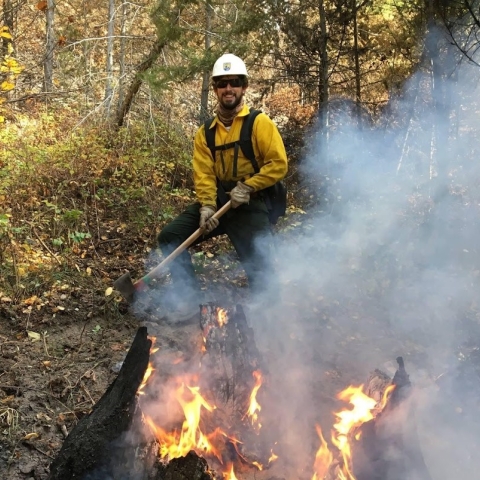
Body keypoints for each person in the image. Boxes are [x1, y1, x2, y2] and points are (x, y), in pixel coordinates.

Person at [157, 53, 288, 321]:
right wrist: (206, 206)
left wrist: (249, 187)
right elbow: (204, 173)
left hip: (251, 204)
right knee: (170, 237)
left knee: (262, 271)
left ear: (244, 86)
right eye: (222, 83)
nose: (228, 88)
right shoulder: (205, 133)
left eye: (234, 82)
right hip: (218, 203)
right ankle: (189, 301)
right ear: (215, 89)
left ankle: (269, 321)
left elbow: (278, 164)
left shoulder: (259, 124)